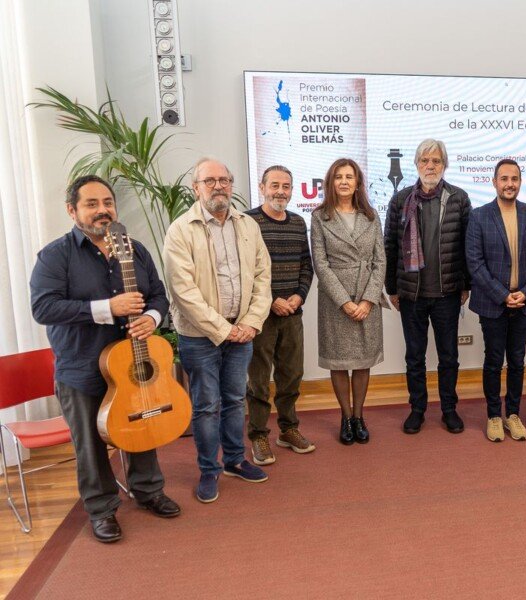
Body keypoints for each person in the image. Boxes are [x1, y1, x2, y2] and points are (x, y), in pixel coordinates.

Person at [30, 175, 180, 543]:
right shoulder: (55, 255)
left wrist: (152, 318)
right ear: (72, 210)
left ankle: (148, 491)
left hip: (133, 362)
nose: (102, 211)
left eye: (108, 203)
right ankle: (101, 509)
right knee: (90, 445)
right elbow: (43, 307)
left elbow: (159, 295)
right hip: (81, 368)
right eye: (92, 204)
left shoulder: (135, 249)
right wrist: (106, 308)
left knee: (142, 425)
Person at [164, 158, 272, 503]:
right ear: (196, 188)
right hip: (200, 337)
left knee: (234, 399)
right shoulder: (181, 229)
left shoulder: (247, 226)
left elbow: (262, 277)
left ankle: (235, 461)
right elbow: (184, 292)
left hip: (242, 332)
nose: (218, 186)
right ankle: (209, 470)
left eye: (224, 179)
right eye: (209, 180)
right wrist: (224, 330)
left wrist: (251, 322)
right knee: (206, 405)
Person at [384, 139, 471, 435]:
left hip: (447, 293)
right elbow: (389, 246)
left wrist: (466, 285)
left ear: (444, 165)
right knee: (414, 357)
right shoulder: (401, 201)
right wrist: (392, 288)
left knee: (449, 357)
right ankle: (417, 410)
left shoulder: (459, 199)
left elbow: (467, 246)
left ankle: (449, 409)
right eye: (425, 160)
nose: (430, 166)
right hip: (412, 294)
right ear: (416, 164)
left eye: (436, 161)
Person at [466, 159, 526, 442]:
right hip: (493, 304)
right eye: (504, 178)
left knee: (517, 361)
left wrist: (525, 292)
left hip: (524, 302)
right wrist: (503, 295)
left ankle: (513, 414)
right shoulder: (479, 216)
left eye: (514, 178)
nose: (509, 183)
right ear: (494, 182)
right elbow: (474, 264)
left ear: (520, 182)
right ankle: (492, 416)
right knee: (492, 361)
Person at [310, 158, 386, 445]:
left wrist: (367, 300)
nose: (344, 181)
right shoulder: (320, 217)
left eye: (349, 177)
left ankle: (359, 416)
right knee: (339, 362)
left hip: (366, 296)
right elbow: (321, 263)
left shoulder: (371, 216)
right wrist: (345, 302)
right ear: (331, 182)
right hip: (335, 301)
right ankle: (345, 417)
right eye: (338, 176)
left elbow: (380, 260)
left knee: (363, 361)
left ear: (357, 183)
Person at [244, 165, 315, 465]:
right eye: (274, 185)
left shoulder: (298, 223)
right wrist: (272, 300)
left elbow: (306, 266)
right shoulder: (247, 222)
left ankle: (288, 430)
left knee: (291, 375)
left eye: (286, 186)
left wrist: (299, 295)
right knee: (259, 379)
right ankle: (259, 435)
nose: (280, 191)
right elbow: (245, 271)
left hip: (292, 313)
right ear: (262, 188)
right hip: (260, 316)